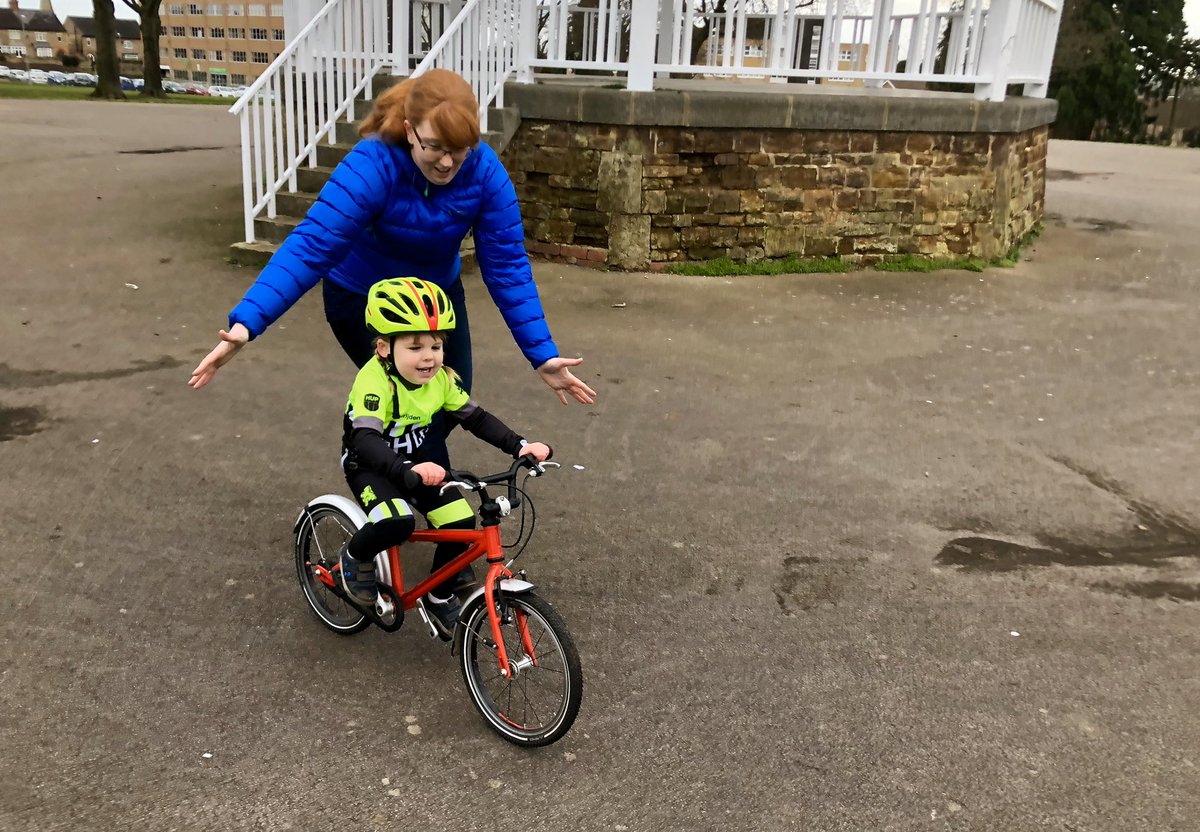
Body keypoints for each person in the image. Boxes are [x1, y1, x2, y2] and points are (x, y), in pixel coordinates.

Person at [189, 68, 595, 466]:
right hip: (361, 297)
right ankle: (379, 469)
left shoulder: (485, 172)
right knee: (403, 390)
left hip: (434, 299)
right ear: (408, 128)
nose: (447, 162)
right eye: (435, 146)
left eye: (460, 148)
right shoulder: (374, 162)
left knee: (450, 391)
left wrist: (541, 353)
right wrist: (246, 325)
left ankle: (392, 468)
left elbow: (507, 264)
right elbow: (313, 244)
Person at [338, 278, 551, 637]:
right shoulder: (374, 381)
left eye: (436, 346)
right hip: (370, 465)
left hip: (419, 467)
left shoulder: (441, 380)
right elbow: (365, 438)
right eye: (415, 346)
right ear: (383, 348)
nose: (429, 357)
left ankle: (438, 596)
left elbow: (477, 419)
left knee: (462, 525)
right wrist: (403, 468)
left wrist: (520, 446)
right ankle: (354, 559)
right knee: (396, 522)